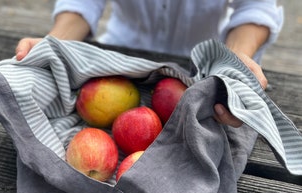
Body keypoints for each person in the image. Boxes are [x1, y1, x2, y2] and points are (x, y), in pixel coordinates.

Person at [15, 0, 283, 127]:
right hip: (118, 61)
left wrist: (234, 59)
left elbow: (256, 6)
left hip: (201, 71)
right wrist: (55, 43)